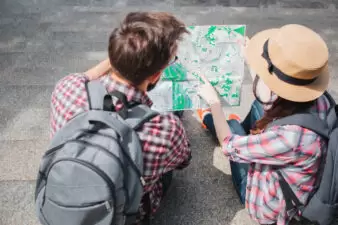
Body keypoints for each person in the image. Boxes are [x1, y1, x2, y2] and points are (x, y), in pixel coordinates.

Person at [50, 12, 192, 223]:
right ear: (156, 75)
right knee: (166, 169)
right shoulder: (166, 129)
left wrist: (124, 55)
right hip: (124, 215)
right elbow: (183, 160)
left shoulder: (66, 88)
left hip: (61, 201)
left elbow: (86, 76)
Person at [196, 24, 331, 225]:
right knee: (259, 106)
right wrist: (253, 61)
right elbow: (275, 90)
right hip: (294, 167)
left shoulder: (291, 137)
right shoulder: (321, 100)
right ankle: (230, 126)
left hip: (268, 208)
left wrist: (214, 102)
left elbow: (228, 146)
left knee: (231, 127)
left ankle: (212, 119)